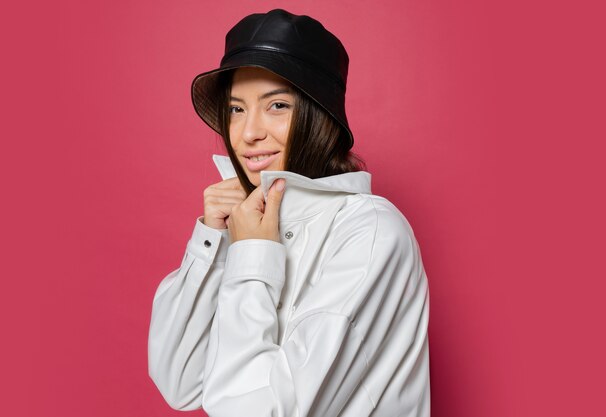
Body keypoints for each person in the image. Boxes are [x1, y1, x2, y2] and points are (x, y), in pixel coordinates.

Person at [148, 9, 430, 417]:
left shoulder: (369, 231)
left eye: (277, 105)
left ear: (319, 116)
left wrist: (253, 255)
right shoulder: (247, 224)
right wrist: (211, 241)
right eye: (236, 109)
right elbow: (179, 381)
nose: (248, 133)